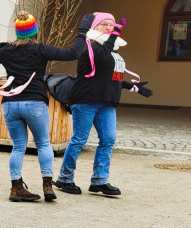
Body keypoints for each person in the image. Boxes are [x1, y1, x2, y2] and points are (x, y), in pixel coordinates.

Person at [0, 12, 82, 203]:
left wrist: (1, 45)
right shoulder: (40, 49)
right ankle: (47, 186)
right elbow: (73, 54)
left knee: (18, 147)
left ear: (18, 33)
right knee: (43, 143)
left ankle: (16, 188)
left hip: (10, 104)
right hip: (34, 102)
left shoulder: (6, 51)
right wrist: (82, 33)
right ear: (34, 31)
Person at [55, 12, 153, 197]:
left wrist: (132, 86)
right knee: (79, 140)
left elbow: (111, 77)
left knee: (108, 140)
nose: (110, 27)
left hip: (107, 102)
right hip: (86, 100)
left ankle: (99, 181)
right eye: (105, 24)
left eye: (112, 24)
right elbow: (99, 57)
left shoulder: (112, 49)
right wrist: (114, 35)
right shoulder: (90, 46)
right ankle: (65, 178)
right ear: (95, 27)